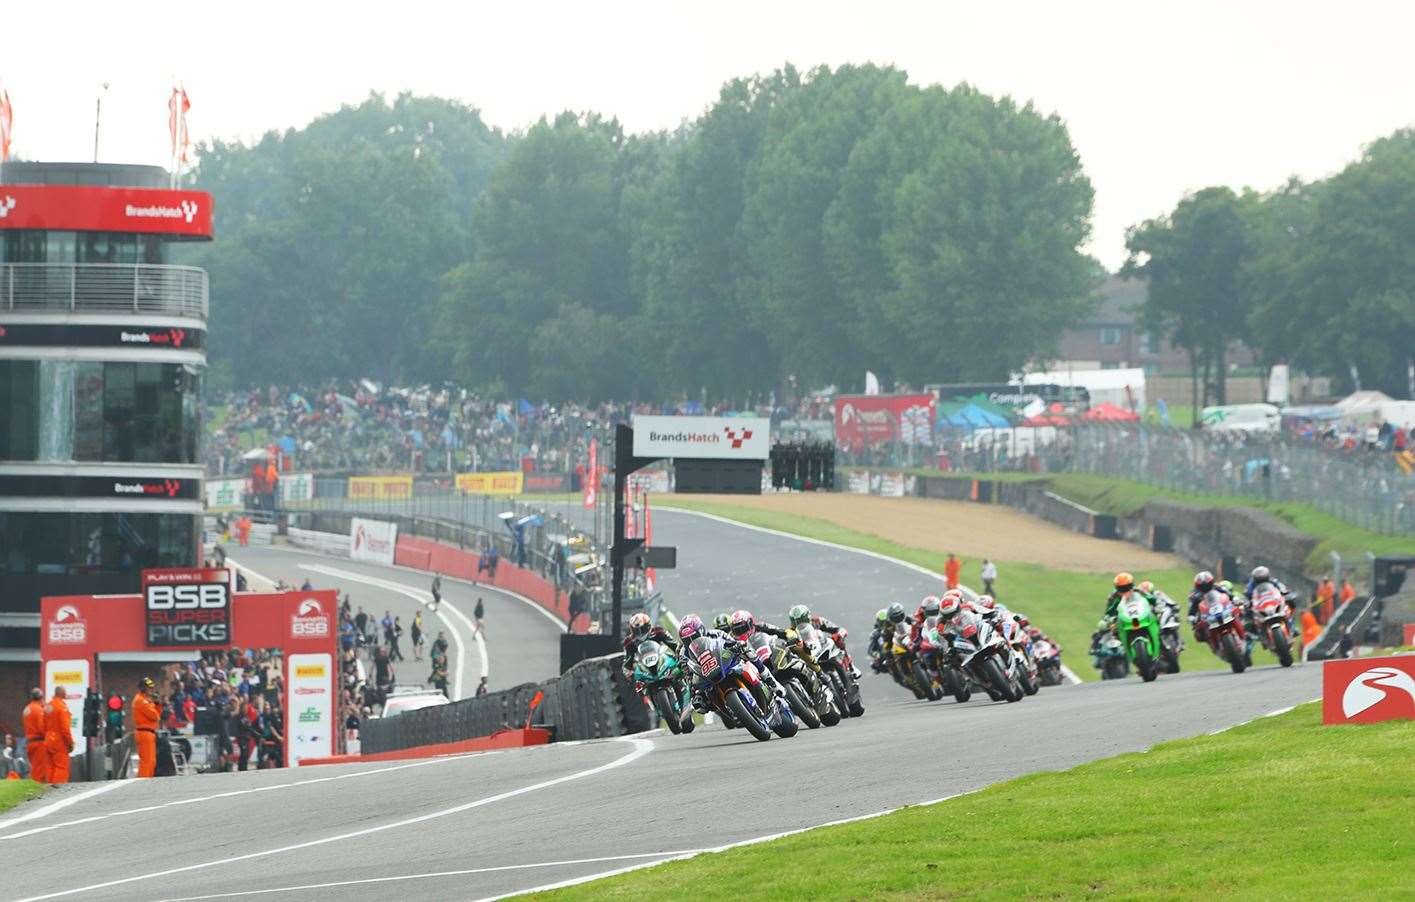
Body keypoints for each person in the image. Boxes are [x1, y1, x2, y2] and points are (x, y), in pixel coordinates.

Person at [43, 687, 74, 785]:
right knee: (61, 766)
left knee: (50, 766)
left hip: (48, 739)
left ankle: (48, 788)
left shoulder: (48, 706)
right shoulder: (61, 707)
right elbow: (65, 728)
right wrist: (70, 743)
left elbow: (42, 724)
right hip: (58, 741)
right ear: (62, 694)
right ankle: (58, 789)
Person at [133, 677, 161, 778]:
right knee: (146, 761)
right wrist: (154, 704)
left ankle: (148, 780)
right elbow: (155, 716)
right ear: (143, 688)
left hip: (149, 733)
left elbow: (157, 714)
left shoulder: (146, 700)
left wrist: (156, 704)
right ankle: (142, 782)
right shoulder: (141, 701)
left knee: (151, 761)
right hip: (144, 733)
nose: (151, 690)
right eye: (149, 688)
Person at [22, 688, 49, 784]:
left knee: (34, 768)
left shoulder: (27, 709)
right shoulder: (38, 710)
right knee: (40, 770)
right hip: (39, 743)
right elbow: (42, 728)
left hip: (30, 742)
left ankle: (34, 786)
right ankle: (37, 791)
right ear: (41, 698)